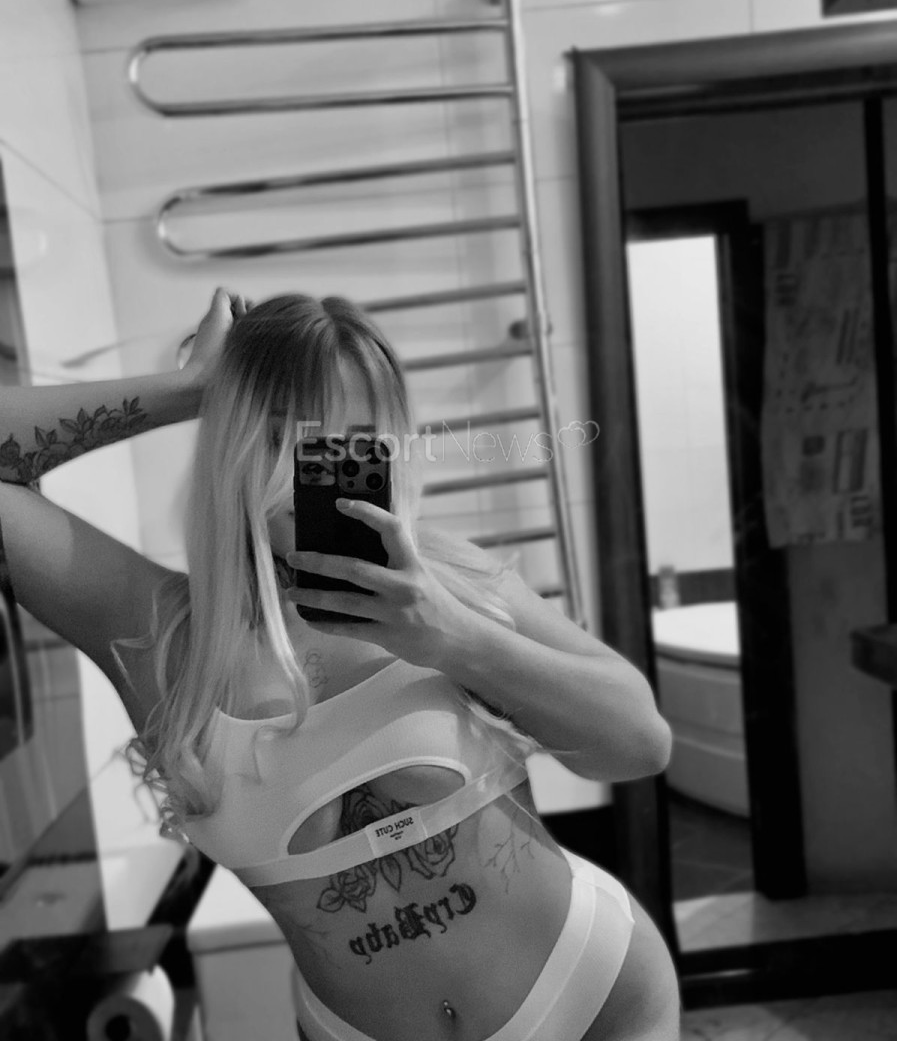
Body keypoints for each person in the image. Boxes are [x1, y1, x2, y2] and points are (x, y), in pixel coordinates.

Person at [0, 288, 681, 1041]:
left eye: (355, 440)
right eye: (286, 433)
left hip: (592, 993)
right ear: (233, 438)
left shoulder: (449, 582)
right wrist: (190, 388)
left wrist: (452, 637)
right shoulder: (160, 635)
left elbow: (642, 745)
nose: (317, 468)